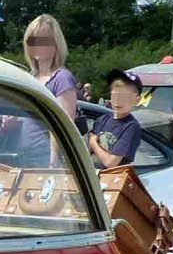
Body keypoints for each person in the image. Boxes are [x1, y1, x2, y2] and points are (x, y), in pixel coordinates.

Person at [19, 14, 77, 165]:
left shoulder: (62, 78)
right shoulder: (29, 78)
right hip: (23, 155)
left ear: (56, 45)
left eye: (44, 40)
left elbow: (64, 123)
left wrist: (53, 157)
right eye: (33, 40)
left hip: (47, 158)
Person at [88, 68, 142, 169]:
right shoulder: (102, 120)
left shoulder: (131, 126)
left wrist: (93, 142)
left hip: (113, 179)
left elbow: (111, 163)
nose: (119, 101)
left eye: (125, 97)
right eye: (115, 95)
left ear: (137, 100)